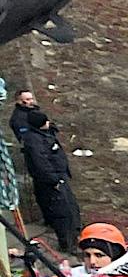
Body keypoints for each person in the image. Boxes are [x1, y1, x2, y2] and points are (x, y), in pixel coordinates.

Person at [17, 103, 81, 252]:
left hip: (59, 177)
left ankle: (74, 237)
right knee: (62, 214)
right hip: (53, 181)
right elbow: (41, 163)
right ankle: (67, 244)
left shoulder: (42, 135)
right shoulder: (34, 142)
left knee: (71, 210)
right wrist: (54, 180)